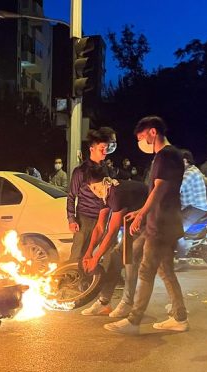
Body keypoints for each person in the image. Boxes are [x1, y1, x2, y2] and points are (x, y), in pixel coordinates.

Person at [104, 116, 189, 335]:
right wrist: (141, 212)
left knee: (146, 270)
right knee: (165, 270)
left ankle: (133, 321)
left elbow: (158, 189)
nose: (141, 143)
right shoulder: (173, 155)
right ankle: (179, 317)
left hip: (161, 224)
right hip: (166, 221)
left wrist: (142, 214)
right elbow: (160, 191)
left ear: (153, 132)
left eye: (141, 137)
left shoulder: (165, 155)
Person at [79, 168, 149, 318]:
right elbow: (99, 227)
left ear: (105, 182)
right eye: (91, 188)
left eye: (96, 187)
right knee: (116, 257)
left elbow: (111, 232)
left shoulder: (116, 193)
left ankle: (127, 304)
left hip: (153, 221)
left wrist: (96, 259)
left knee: (130, 258)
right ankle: (104, 303)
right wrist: (88, 253)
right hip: (133, 223)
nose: (95, 191)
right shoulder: (104, 193)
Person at [67, 127, 116, 262]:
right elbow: (71, 196)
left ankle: (101, 280)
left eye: (106, 148)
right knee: (78, 255)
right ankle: (74, 280)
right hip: (85, 219)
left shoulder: (107, 170)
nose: (105, 152)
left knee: (106, 253)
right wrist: (71, 219)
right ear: (92, 149)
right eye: (102, 149)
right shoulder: (80, 171)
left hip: (105, 218)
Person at [178, 149, 207, 261]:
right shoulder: (188, 171)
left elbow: (178, 187)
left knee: (177, 230)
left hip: (197, 207)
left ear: (185, 160)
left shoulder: (190, 173)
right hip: (189, 206)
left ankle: (182, 259)